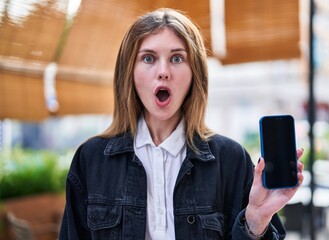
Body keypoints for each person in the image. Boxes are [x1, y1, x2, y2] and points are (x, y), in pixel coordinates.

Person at [59, 8, 304, 240]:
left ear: (194, 73)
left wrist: (255, 221)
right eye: (148, 58)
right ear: (129, 72)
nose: (163, 71)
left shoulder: (231, 160)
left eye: (177, 58)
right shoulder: (89, 161)